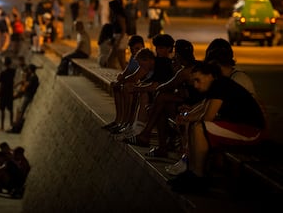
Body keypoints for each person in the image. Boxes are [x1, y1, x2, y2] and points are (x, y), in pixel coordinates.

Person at [168, 61, 266, 192]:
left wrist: (187, 118)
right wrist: (186, 118)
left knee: (199, 128)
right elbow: (203, 110)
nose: (196, 85)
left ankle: (198, 177)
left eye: (198, 80)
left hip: (251, 132)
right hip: (241, 128)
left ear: (210, 75)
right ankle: (191, 172)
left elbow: (208, 116)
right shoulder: (216, 85)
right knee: (195, 126)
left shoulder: (220, 85)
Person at [102, 35, 145, 130]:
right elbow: (126, 72)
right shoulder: (133, 58)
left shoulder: (145, 58)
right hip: (135, 83)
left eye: (138, 48)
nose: (135, 51)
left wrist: (122, 80)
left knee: (126, 88)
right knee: (117, 87)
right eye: (132, 49)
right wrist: (120, 78)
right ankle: (118, 120)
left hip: (143, 85)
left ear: (143, 47)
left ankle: (127, 121)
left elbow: (136, 76)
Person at [7, 64, 39, 133]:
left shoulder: (33, 78)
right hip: (27, 95)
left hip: (28, 96)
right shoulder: (33, 77)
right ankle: (16, 125)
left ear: (30, 70)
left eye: (29, 69)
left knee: (21, 110)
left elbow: (25, 87)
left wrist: (24, 80)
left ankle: (17, 127)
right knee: (19, 109)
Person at [107, 0, 128, 70]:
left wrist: (118, 41)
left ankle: (125, 77)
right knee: (118, 60)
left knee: (119, 60)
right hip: (118, 37)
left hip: (120, 37)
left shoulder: (119, 16)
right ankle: (122, 76)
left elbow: (123, 29)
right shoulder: (116, 15)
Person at [0, 57, 16, 131]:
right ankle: (11, 125)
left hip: (4, 93)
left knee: (2, 110)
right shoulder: (13, 71)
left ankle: (2, 127)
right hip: (10, 92)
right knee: (11, 110)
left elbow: (1, 85)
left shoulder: (2, 73)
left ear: (5, 64)